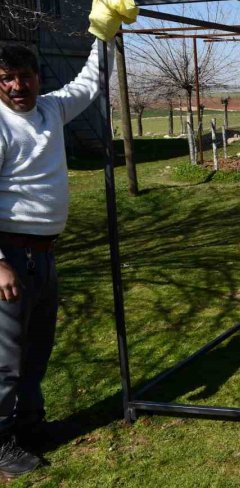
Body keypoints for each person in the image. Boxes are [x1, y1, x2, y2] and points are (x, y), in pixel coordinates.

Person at [0, 37, 114, 476]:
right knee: (5, 356)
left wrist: (104, 34)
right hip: (10, 254)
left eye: (24, 76)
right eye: (6, 79)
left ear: (37, 77)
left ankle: (28, 426)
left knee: (36, 350)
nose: (16, 86)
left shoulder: (50, 110)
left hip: (43, 255)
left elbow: (89, 83)